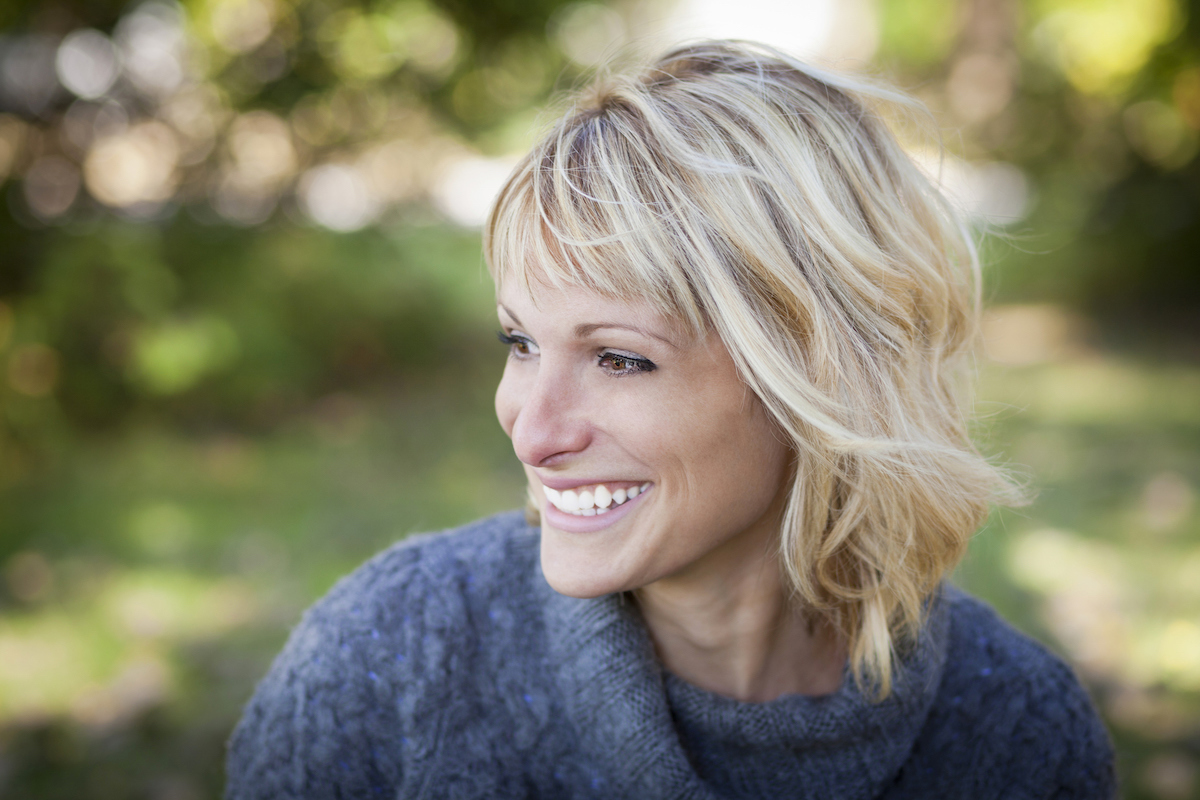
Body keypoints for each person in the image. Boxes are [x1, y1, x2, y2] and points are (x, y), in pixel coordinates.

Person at [226, 40, 1115, 799]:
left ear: (821, 379)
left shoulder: (1017, 735)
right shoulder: (392, 655)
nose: (532, 433)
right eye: (520, 341)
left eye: (619, 358)